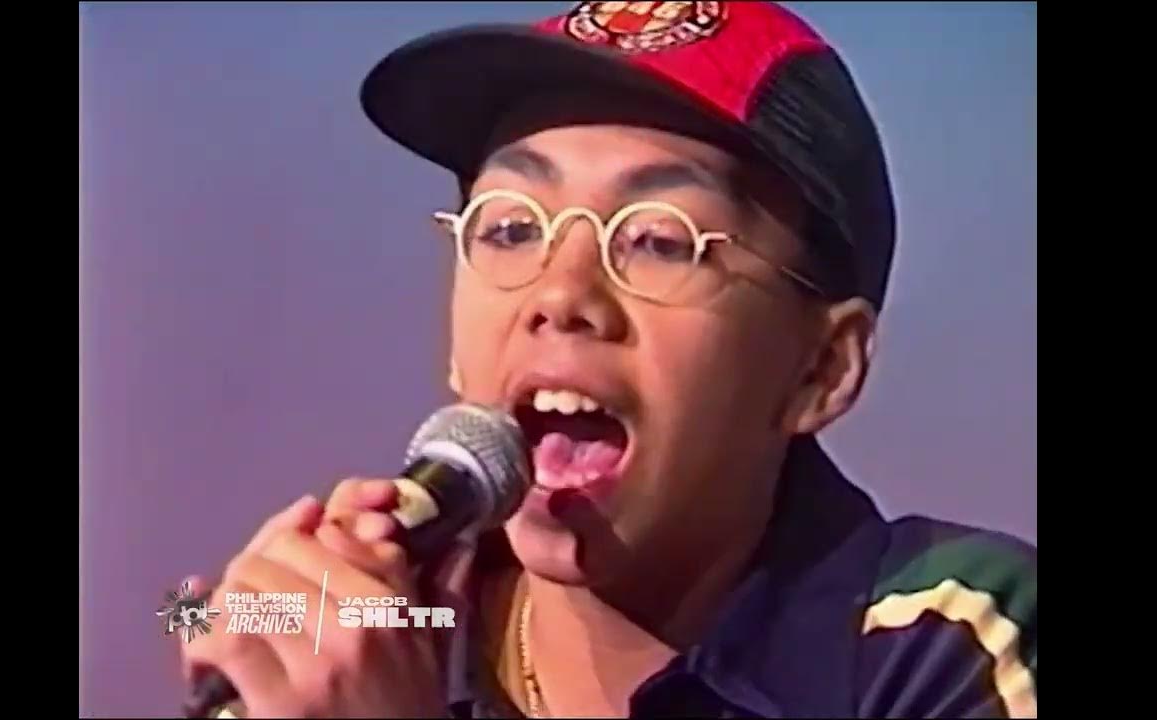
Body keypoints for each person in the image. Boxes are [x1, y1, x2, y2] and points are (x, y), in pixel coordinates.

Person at [179, 2, 1037, 718]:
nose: (560, 293)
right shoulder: (383, 637)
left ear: (821, 370)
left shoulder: (947, 639)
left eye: (660, 240)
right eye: (512, 228)